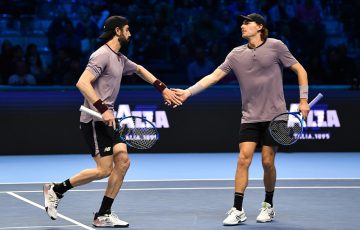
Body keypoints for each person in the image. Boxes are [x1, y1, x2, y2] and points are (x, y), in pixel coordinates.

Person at [43, 15, 182, 228]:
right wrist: (102, 109)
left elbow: (140, 69)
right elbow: (82, 83)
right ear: (117, 31)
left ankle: (103, 214)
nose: (130, 33)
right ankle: (56, 189)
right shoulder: (101, 55)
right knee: (103, 170)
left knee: (123, 162)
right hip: (94, 120)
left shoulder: (119, 58)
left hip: (108, 120)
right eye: (127, 29)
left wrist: (162, 88)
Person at [172, 13, 310, 225]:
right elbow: (213, 76)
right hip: (250, 117)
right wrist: (188, 92)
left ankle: (268, 205)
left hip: (276, 117)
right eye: (242, 23)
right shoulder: (236, 54)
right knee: (243, 159)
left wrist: (303, 100)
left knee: (267, 162)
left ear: (260, 27)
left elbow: (300, 70)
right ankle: (237, 209)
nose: (243, 26)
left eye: (247, 23)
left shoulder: (276, 46)